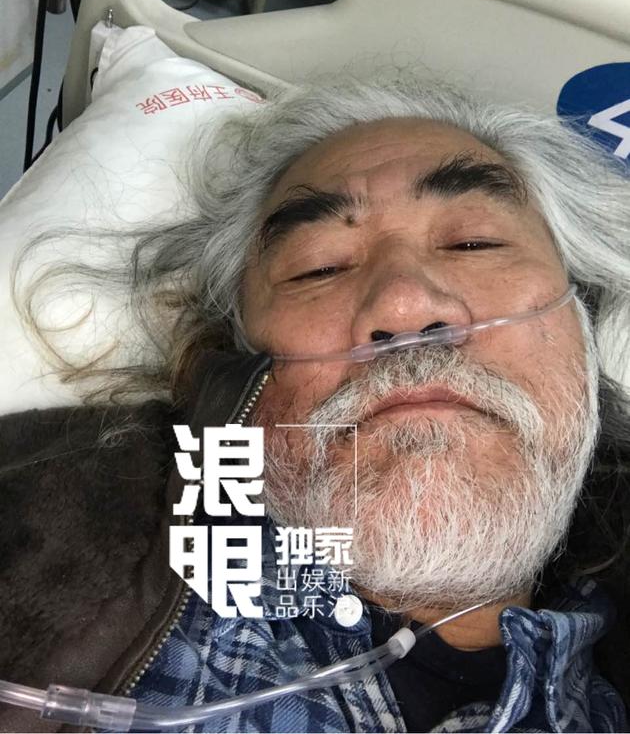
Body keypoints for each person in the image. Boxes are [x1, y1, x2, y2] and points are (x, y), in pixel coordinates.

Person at [1, 76, 629, 733]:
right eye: (320, 267)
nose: (405, 305)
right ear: (229, 363)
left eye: (474, 242)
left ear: (585, 330)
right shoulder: (36, 530)